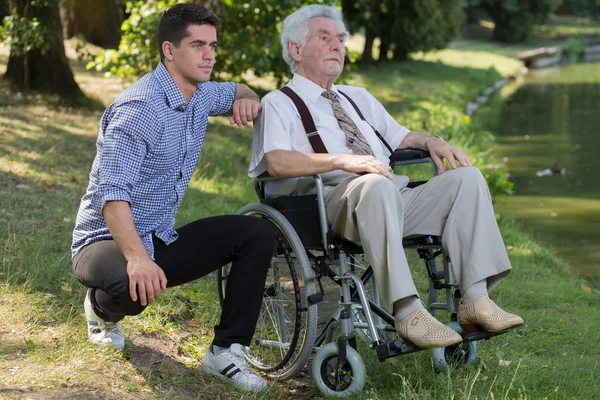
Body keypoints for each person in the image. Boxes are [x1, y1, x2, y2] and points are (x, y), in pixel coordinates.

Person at [249, 4, 524, 350]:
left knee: (467, 179)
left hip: (392, 196)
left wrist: (431, 141)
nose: (337, 46)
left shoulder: (357, 97)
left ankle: (475, 299)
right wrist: (346, 161)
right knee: (375, 186)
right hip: (334, 205)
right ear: (296, 49)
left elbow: (402, 137)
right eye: (324, 37)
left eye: (341, 39)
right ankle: (408, 311)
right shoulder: (278, 103)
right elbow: (275, 161)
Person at [72, 3, 270, 392]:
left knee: (257, 234)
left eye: (212, 46)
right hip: (103, 241)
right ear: (169, 50)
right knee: (132, 290)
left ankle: (226, 351)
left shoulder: (199, 94)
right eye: (198, 45)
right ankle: (99, 311)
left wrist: (247, 95)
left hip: (158, 235)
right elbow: (112, 198)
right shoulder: (140, 109)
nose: (209, 55)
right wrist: (137, 259)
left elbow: (236, 90)